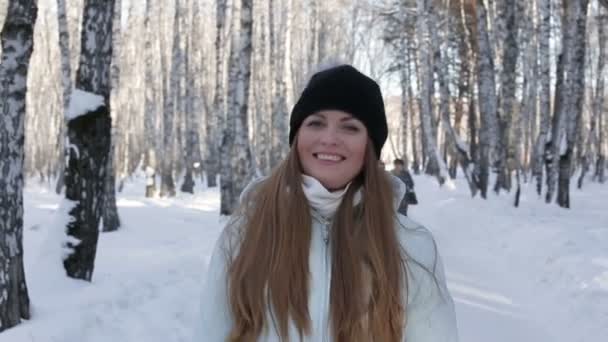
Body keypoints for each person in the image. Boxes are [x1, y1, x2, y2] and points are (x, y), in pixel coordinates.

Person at [192, 64, 458, 342]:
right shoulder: (246, 232)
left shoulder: (410, 244)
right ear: (297, 138)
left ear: (370, 146)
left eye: (350, 127)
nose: (329, 138)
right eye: (316, 123)